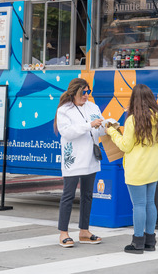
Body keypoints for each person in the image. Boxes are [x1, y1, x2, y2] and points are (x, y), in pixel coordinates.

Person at [105, 84, 158, 254]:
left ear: (134, 100)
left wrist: (112, 132)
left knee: (138, 205)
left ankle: (137, 242)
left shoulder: (133, 120)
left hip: (137, 169)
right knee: (150, 203)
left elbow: (126, 146)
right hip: (153, 169)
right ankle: (150, 241)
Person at [55, 78, 105, 248]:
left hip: (91, 156)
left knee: (87, 195)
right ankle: (63, 233)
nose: (86, 95)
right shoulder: (64, 110)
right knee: (68, 195)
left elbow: (100, 128)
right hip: (74, 158)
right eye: (83, 92)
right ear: (74, 92)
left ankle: (84, 231)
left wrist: (107, 126)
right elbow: (67, 132)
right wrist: (89, 125)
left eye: (88, 92)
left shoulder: (93, 107)